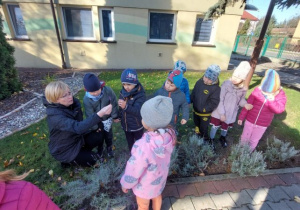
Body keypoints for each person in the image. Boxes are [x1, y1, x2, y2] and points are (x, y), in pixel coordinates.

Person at [120, 96, 176, 210]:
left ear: (150, 123)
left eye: (143, 117)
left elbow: (134, 168)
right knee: (157, 197)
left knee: (143, 205)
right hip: (159, 180)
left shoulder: (143, 146)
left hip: (144, 186)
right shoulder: (169, 135)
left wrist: (126, 184)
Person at [43, 81, 112, 167]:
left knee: (98, 134)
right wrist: (100, 114)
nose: (70, 97)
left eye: (69, 93)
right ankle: (67, 161)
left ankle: (82, 153)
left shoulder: (72, 104)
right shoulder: (55, 116)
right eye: (65, 95)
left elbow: (79, 125)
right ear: (55, 99)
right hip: (65, 149)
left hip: (77, 139)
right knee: (93, 159)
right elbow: (77, 127)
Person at [238, 69, 287, 151]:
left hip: (262, 124)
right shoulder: (258, 90)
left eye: (268, 93)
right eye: (264, 93)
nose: (266, 95)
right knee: (244, 137)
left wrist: (271, 101)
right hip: (250, 120)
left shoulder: (280, 95)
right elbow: (248, 104)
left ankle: (248, 153)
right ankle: (239, 150)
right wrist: (241, 117)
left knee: (254, 140)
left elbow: (278, 110)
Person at [210, 61, 253, 148]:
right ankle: (211, 139)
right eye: (234, 76)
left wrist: (245, 104)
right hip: (220, 111)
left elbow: (241, 100)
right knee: (215, 126)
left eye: (238, 77)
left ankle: (222, 137)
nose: (234, 78)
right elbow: (220, 99)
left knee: (225, 127)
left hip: (231, 112)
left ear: (243, 79)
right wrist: (222, 113)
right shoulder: (226, 85)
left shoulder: (243, 89)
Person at [83, 73, 119, 158]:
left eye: (97, 90)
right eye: (92, 92)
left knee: (108, 134)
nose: (95, 93)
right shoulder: (87, 99)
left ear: (100, 86)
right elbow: (89, 114)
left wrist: (114, 116)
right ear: (87, 90)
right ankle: (100, 149)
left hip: (107, 118)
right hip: (97, 121)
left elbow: (113, 103)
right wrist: (95, 127)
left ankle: (109, 147)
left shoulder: (108, 91)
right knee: (99, 136)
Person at [191, 64, 221, 143]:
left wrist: (204, 109)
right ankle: (197, 134)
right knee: (196, 123)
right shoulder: (199, 82)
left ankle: (205, 139)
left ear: (214, 79)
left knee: (203, 127)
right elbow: (194, 92)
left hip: (205, 114)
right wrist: (191, 100)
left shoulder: (216, 89)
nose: (206, 80)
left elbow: (214, 101)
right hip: (195, 110)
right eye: (206, 77)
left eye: (210, 79)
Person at [118, 68, 146, 151]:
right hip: (126, 126)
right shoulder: (122, 92)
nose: (126, 87)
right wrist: (119, 116)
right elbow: (121, 108)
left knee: (139, 143)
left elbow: (138, 111)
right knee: (130, 143)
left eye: (129, 84)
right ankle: (132, 156)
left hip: (137, 126)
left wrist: (125, 106)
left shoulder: (140, 95)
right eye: (124, 84)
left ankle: (140, 157)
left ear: (135, 83)